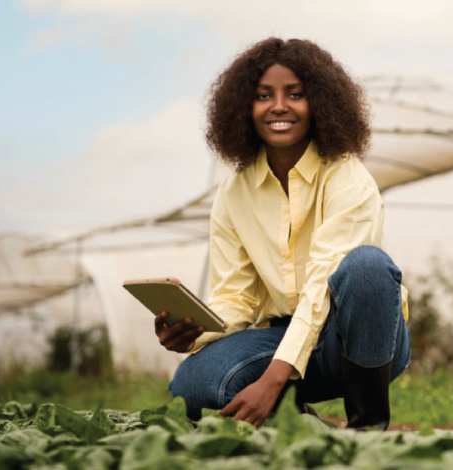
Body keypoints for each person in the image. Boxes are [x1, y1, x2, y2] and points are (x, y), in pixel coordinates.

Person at [155, 37, 411, 430]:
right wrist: (193, 333)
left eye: (295, 94)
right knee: (191, 385)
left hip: (356, 343)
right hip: (279, 339)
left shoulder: (348, 177)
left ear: (320, 104)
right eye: (263, 95)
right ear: (244, 106)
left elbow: (324, 286)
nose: (278, 106)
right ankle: (294, 417)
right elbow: (237, 297)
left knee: (367, 267)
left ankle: (367, 428)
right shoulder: (233, 193)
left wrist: (271, 381)